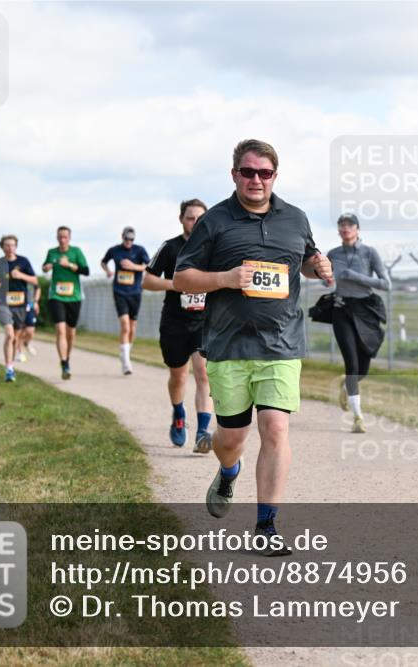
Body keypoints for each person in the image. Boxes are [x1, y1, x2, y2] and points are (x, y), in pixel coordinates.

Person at [174, 139, 334, 556]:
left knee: (276, 428)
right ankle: (229, 471)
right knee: (231, 437)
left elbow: (303, 259)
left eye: (264, 173)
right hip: (228, 346)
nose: (256, 180)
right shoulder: (215, 222)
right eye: (248, 172)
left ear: (275, 176)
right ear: (235, 175)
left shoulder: (295, 218)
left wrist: (317, 267)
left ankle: (266, 526)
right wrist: (226, 279)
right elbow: (184, 278)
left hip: (281, 343)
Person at [144, 198, 214, 450]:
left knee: (203, 372)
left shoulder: (213, 247)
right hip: (174, 322)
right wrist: (176, 284)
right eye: (190, 218)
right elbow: (147, 281)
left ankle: (203, 432)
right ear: (181, 219)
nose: (195, 223)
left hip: (204, 321)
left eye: (200, 218)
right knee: (178, 376)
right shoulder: (170, 247)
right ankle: (178, 414)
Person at [326, 213, 390, 433]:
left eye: (349, 225)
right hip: (342, 310)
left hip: (366, 312)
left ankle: (347, 385)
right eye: (341, 225)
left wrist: (354, 276)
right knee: (352, 365)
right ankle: (358, 418)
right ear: (338, 230)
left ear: (357, 229)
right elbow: (327, 281)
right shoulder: (333, 254)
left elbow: (385, 283)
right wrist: (326, 278)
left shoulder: (369, 252)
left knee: (362, 369)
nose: (345, 228)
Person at [102, 227, 150, 375]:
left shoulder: (140, 250)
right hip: (119, 291)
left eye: (131, 239)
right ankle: (126, 362)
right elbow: (103, 262)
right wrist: (108, 271)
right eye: (126, 239)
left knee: (132, 326)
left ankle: (125, 351)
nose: (129, 242)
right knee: (125, 325)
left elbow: (149, 266)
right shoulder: (114, 250)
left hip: (135, 292)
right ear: (122, 237)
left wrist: (133, 266)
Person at [0, 235, 37, 382]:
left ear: (16, 247)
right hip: (4, 303)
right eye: (7, 245)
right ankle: (9, 369)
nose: (10, 248)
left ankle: (11, 366)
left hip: (21, 304)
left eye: (12, 245)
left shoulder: (23, 261)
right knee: (9, 334)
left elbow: (34, 280)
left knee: (15, 338)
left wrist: (21, 275)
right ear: (2, 247)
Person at [42, 226, 89, 379]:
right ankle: (63, 363)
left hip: (74, 296)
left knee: (71, 333)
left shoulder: (76, 252)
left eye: (65, 237)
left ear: (69, 238)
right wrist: (47, 266)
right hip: (56, 295)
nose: (62, 240)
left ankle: (67, 358)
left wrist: (69, 264)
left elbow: (86, 271)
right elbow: (44, 268)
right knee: (61, 330)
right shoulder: (52, 252)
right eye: (60, 237)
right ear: (57, 238)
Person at [15, 283, 41, 362]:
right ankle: (20, 353)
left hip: (30, 306)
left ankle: (26, 343)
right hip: (18, 306)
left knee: (30, 331)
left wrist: (36, 302)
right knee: (20, 331)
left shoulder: (30, 275)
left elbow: (38, 288)